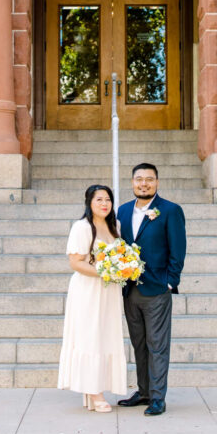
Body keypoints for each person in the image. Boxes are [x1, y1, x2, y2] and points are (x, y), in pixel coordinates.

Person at [116, 162, 186, 416]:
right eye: (139, 179)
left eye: (149, 179)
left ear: (157, 182)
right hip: (129, 289)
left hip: (157, 288)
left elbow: (178, 249)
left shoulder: (169, 211)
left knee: (157, 344)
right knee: (139, 344)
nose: (143, 183)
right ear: (132, 182)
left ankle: (158, 397)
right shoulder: (122, 211)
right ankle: (143, 391)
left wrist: (170, 281)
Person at [57, 184, 128, 412]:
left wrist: (125, 268)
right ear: (89, 202)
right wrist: (106, 272)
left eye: (107, 199)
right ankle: (94, 392)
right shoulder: (82, 227)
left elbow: (120, 256)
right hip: (88, 289)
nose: (104, 204)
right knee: (90, 336)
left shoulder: (115, 225)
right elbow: (75, 263)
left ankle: (96, 387)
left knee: (105, 335)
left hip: (109, 290)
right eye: (99, 199)